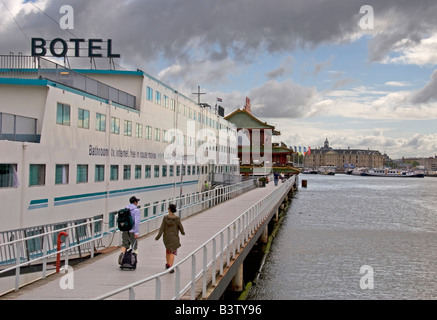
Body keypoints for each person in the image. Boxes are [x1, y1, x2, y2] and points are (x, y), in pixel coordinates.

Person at [155, 203, 185, 272]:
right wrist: (183, 233)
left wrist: (157, 237)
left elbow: (162, 228)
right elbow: (180, 227)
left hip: (166, 237)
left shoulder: (165, 218)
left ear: (169, 209)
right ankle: (170, 266)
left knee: (168, 251)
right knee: (172, 252)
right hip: (174, 237)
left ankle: (168, 264)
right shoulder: (177, 218)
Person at [118, 196, 141, 265]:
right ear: (135, 202)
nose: (137, 203)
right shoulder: (136, 210)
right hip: (132, 231)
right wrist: (136, 232)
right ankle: (133, 259)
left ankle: (122, 256)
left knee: (124, 244)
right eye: (137, 201)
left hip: (125, 230)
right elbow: (136, 222)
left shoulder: (125, 209)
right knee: (134, 246)